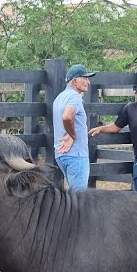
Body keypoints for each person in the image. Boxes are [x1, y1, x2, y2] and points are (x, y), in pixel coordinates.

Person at [52, 64, 95, 192]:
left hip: (61, 154)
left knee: (72, 196)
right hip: (76, 154)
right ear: (74, 81)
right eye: (85, 78)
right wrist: (73, 135)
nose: (88, 81)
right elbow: (67, 117)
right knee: (79, 199)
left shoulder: (59, 98)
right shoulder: (75, 97)